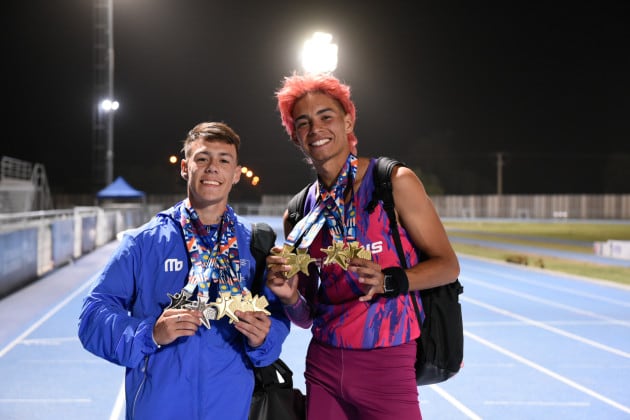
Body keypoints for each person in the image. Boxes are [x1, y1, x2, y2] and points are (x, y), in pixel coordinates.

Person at [266, 73, 460, 420]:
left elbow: (447, 265)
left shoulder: (392, 182)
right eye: (304, 123)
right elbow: (307, 315)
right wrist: (289, 296)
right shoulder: (298, 213)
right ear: (295, 136)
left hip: (386, 361)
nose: (316, 129)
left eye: (326, 116)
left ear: (348, 120)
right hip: (324, 363)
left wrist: (389, 280)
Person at [78, 121, 290, 420]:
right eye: (202, 158)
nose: (213, 167)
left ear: (236, 174)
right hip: (160, 407)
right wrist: (148, 333)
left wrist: (264, 338)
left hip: (229, 407)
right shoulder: (144, 242)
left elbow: (277, 319)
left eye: (224, 160)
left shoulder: (255, 243)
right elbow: (92, 316)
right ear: (185, 168)